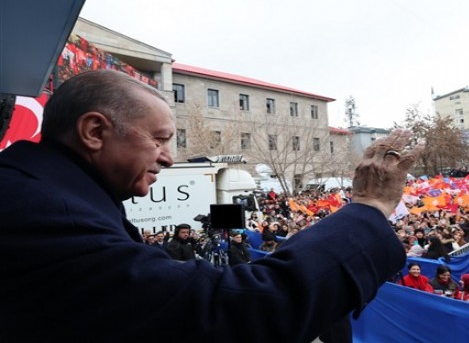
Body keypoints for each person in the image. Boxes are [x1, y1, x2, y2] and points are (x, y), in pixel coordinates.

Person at [0, 70, 423, 341]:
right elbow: (230, 312)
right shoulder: (46, 216)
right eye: (160, 139)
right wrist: (369, 206)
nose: (167, 157)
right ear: (94, 131)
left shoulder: (46, 193)